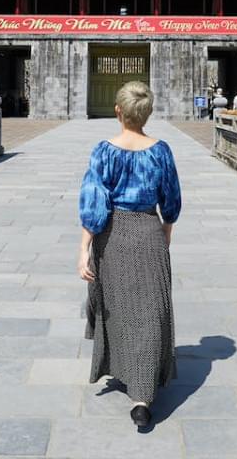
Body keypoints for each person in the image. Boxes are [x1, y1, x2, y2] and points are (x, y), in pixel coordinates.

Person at [78, 81, 181, 431]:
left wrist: (84, 249)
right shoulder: (161, 151)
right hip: (150, 230)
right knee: (152, 310)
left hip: (113, 234)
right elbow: (171, 202)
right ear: (147, 114)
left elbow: (93, 204)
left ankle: (125, 373)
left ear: (118, 112)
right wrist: (164, 235)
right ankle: (143, 394)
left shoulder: (104, 151)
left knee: (119, 308)